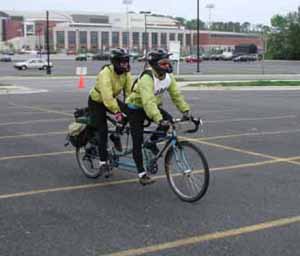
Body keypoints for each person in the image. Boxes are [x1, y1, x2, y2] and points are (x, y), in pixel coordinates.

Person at [126, 48, 191, 185]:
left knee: (169, 122)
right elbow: (148, 101)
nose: (168, 65)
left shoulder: (168, 77)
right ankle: (141, 173)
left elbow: (176, 96)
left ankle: (150, 144)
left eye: (168, 62)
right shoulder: (147, 78)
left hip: (152, 106)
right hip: (136, 108)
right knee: (137, 140)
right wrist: (159, 119)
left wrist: (186, 111)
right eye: (163, 63)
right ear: (154, 64)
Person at [88, 48, 132, 172]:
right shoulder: (105, 73)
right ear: (115, 62)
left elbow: (129, 93)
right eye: (122, 62)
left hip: (111, 99)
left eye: (126, 61)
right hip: (97, 101)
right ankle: (103, 162)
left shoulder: (126, 73)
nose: (125, 64)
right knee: (102, 131)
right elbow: (106, 96)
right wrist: (117, 112)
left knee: (129, 113)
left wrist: (131, 108)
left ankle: (116, 135)